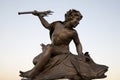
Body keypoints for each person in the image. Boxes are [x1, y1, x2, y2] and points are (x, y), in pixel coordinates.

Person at [20, 9, 83, 78]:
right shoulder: (57, 24)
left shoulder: (73, 32)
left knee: (49, 47)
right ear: (70, 17)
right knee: (35, 61)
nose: (78, 22)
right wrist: (39, 16)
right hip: (53, 49)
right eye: (77, 19)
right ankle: (43, 73)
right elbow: (47, 26)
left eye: (79, 20)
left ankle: (32, 73)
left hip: (63, 51)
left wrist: (80, 54)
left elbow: (78, 44)